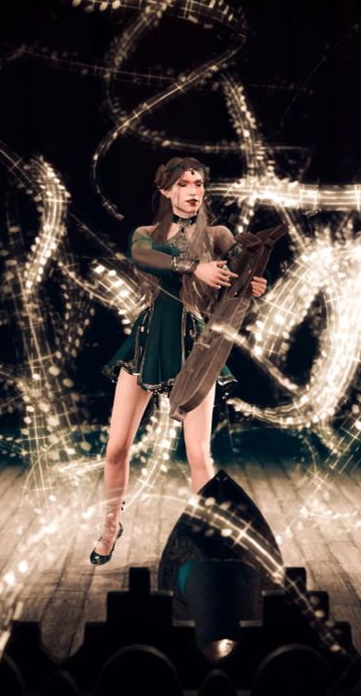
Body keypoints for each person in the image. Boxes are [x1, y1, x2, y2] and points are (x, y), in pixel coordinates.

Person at [90, 156, 268, 565]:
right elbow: (143, 258)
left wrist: (258, 283)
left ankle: (207, 544)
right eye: (184, 184)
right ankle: (110, 526)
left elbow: (248, 269)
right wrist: (195, 268)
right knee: (116, 449)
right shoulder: (146, 234)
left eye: (199, 184)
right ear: (166, 190)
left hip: (197, 351)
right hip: (148, 345)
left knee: (199, 456)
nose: (193, 191)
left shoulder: (219, 235)